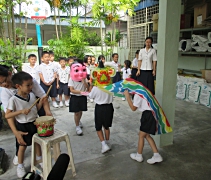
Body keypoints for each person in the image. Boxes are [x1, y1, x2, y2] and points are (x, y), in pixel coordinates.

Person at [0, 65, 52, 166]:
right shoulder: (9, 96)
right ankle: (20, 161)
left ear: (10, 74)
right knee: (21, 143)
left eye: (3, 81)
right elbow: (9, 116)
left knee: (37, 140)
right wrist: (16, 133)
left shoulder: (30, 88)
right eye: (0, 83)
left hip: (33, 119)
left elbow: (41, 99)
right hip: (22, 122)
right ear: (19, 86)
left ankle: (40, 157)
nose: (3, 85)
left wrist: (47, 111)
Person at [5, 72, 46, 178]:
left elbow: (36, 108)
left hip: (34, 123)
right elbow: (7, 115)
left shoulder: (32, 95)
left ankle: (40, 159)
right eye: (28, 85)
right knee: (22, 147)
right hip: (23, 125)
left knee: (37, 143)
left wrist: (41, 102)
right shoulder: (13, 99)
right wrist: (21, 111)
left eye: (31, 84)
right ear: (18, 86)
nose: (31, 87)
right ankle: (20, 165)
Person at [124, 90, 163, 164]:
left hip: (148, 115)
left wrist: (127, 97)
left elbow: (133, 108)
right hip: (152, 113)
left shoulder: (138, 94)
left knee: (141, 135)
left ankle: (139, 156)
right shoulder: (144, 90)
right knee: (147, 136)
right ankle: (156, 155)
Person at [88, 60, 114, 153]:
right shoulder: (110, 86)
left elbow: (90, 96)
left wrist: (91, 85)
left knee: (98, 127)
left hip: (100, 108)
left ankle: (103, 144)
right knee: (106, 126)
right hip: (109, 107)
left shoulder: (96, 88)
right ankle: (107, 142)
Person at [68, 61, 89, 135]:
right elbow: (72, 90)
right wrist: (81, 92)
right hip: (75, 97)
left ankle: (78, 121)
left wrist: (84, 82)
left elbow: (88, 88)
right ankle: (77, 126)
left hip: (82, 97)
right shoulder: (71, 79)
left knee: (80, 111)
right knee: (76, 112)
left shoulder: (84, 78)